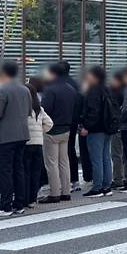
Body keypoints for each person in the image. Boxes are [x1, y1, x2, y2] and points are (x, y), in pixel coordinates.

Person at [0, 61, 32, 217]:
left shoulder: (3, 89)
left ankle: (5, 206)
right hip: (22, 134)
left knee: (5, 171)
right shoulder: (24, 89)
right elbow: (28, 111)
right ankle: (19, 203)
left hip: (6, 136)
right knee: (18, 169)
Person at [40, 63, 77, 203]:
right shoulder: (70, 88)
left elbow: (45, 110)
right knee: (64, 161)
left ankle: (55, 193)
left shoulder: (50, 90)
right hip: (66, 128)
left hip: (52, 130)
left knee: (51, 163)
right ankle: (66, 192)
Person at [79, 66, 115, 197]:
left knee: (96, 159)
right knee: (106, 157)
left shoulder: (93, 91)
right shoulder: (107, 89)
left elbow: (93, 112)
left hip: (96, 129)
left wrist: (86, 126)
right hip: (107, 128)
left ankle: (97, 187)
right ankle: (107, 186)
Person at [56, 61, 88, 193]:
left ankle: (63, 182)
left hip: (58, 123)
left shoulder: (56, 85)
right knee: (71, 151)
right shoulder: (75, 84)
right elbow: (80, 103)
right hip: (73, 121)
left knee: (59, 154)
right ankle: (74, 180)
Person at [24, 83, 53, 207]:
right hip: (38, 144)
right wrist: (40, 131)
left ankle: (25, 197)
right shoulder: (39, 108)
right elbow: (50, 123)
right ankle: (32, 199)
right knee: (35, 172)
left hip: (26, 143)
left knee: (26, 172)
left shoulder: (23, 108)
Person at [107, 72, 125, 189]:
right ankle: (125, 176)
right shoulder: (126, 91)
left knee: (116, 154)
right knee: (125, 154)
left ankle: (118, 179)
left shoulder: (114, 93)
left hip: (117, 126)